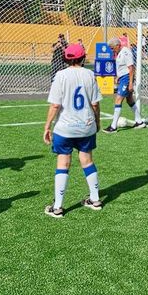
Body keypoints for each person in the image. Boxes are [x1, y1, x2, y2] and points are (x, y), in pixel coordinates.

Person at [42, 42, 103, 217]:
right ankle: (95, 199)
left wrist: (47, 126)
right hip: (86, 126)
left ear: (66, 58)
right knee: (87, 160)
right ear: (83, 58)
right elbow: (95, 103)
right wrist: (97, 121)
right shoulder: (89, 74)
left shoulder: (60, 76)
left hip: (65, 128)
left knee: (63, 163)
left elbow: (55, 105)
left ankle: (58, 207)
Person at [104, 37, 143, 132]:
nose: (112, 50)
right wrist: (118, 77)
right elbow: (123, 67)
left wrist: (130, 83)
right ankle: (139, 122)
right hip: (123, 78)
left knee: (118, 99)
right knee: (129, 100)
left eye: (112, 48)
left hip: (126, 79)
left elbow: (131, 68)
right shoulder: (119, 53)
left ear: (118, 45)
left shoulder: (126, 52)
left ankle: (113, 126)